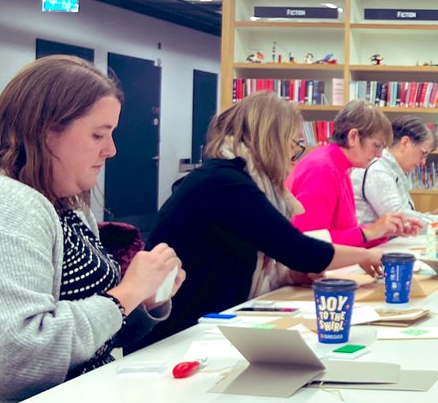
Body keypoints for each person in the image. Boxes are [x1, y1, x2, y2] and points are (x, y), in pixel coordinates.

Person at [0, 56, 182, 403]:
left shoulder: (67, 202)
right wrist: (124, 296)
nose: (111, 150)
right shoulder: (2, 205)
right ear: (45, 131)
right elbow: (18, 361)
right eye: (98, 134)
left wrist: (143, 301)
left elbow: (96, 336)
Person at [143, 92, 386, 344]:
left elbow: (255, 249)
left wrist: (291, 275)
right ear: (272, 140)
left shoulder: (234, 178)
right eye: (293, 145)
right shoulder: (226, 183)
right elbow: (298, 250)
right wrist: (366, 255)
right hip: (178, 333)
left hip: (207, 322)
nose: (293, 157)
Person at [288, 100, 408, 246]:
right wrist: (369, 232)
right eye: (376, 146)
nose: (379, 155)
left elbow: (345, 234)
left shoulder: (340, 167)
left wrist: (382, 231)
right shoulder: (321, 169)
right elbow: (308, 242)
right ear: (353, 137)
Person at [355, 115, 438, 229]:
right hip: (371, 245)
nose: (423, 162)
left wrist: (432, 216)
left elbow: (404, 213)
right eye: (423, 154)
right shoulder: (378, 170)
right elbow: (397, 217)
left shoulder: (392, 169)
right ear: (405, 143)